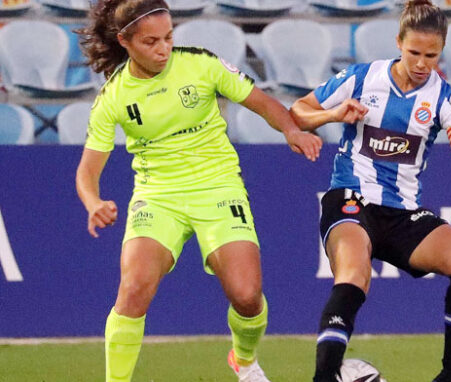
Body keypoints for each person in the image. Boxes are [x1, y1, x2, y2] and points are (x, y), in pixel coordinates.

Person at [74, 1, 322, 381]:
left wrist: (291, 130)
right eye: (151, 41)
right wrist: (93, 202)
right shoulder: (113, 97)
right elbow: (87, 172)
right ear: (125, 41)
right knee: (134, 288)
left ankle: (243, 359)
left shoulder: (201, 64)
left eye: (169, 37)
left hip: (218, 187)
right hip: (158, 196)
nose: (163, 48)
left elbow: (262, 102)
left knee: (246, 295)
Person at [290, 1, 451, 381]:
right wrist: (332, 115)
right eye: (414, 52)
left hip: (401, 213)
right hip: (351, 197)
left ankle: (449, 376)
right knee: (354, 272)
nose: (421, 63)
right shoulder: (363, 78)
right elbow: (298, 111)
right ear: (398, 42)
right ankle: (324, 377)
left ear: (441, 51)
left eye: (431, 55)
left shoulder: (444, 97)